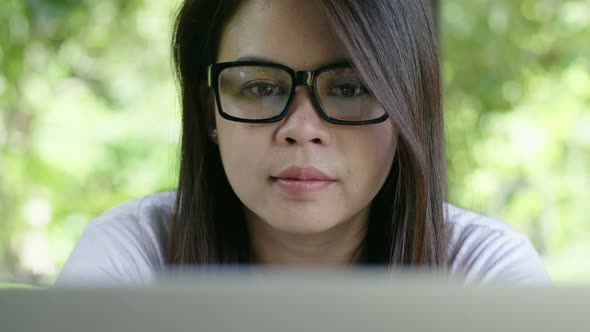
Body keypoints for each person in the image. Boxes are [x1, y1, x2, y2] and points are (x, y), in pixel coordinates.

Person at [55, 0, 550, 286]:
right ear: (210, 113)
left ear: (406, 113)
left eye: (351, 88)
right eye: (261, 87)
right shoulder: (131, 258)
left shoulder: (484, 273)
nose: (301, 127)